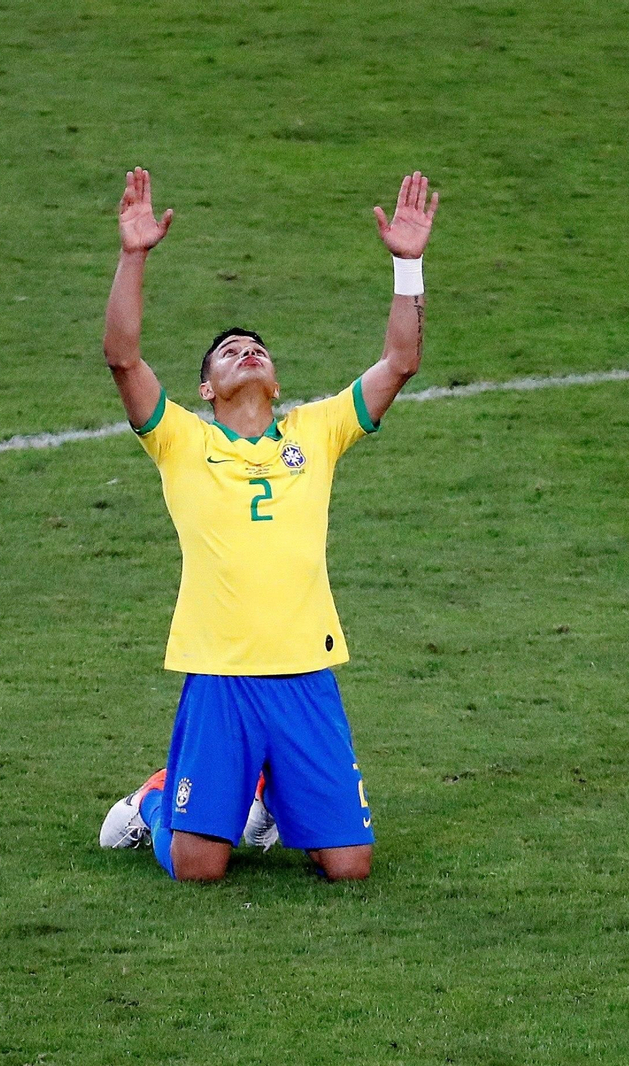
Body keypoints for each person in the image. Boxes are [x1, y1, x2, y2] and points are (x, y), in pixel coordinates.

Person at [95, 166, 437, 882]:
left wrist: (409, 266)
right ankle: (155, 801)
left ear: (275, 383)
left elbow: (400, 361)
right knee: (198, 870)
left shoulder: (316, 432)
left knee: (349, 867)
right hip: (220, 675)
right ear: (206, 388)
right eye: (228, 351)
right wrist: (134, 257)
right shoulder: (181, 440)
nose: (246, 351)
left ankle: (266, 794)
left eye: (257, 348)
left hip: (305, 673)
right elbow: (122, 355)